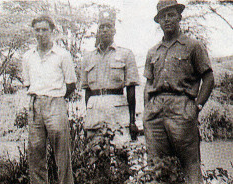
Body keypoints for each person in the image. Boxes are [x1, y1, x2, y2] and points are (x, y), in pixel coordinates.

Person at [143, 0, 215, 183]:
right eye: (162, 16)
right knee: (157, 166)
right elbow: (148, 83)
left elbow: (208, 78)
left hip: (182, 108)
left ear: (179, 17)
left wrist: (196, 107)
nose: (167, 20)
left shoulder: (192, 46)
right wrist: (147, 111)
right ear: (158, 21)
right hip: (155, 111)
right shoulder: (153, 52)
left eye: (171, 15)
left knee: (190, 164)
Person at [22, 14, 76, 184]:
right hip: (35, 105)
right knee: (35, 153)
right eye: (37, 30)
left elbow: (71, 84)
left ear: (52, 31)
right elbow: (27, 84)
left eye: (44, 30)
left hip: (56, 103)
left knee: (62, 153)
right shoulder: (27, 56)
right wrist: (38, 100)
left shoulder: (62, 55)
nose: (40, 34)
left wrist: (56, 98)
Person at [81, 10, 140, 148]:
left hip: (117, 109)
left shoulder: (125, 54)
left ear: (114, 30)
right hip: (94, 110)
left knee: (121, 151)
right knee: (97, 154)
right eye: (102, 27)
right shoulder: (88, 57)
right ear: (98, 31)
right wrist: (88, 117)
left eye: (108, 26)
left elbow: (131, 89)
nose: (105, 30)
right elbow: (87, 92)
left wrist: (132, 121)